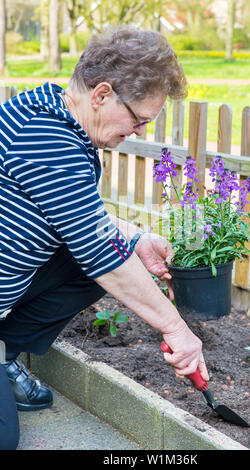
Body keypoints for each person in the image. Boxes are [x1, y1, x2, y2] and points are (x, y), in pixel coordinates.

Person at [0, 26, 209, 450]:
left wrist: (135, 237)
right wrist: (177, 330)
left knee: (104, 256)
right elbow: (98, 251)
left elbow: (80, 218)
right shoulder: (45, 139)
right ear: (101, 95)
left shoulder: (50, 111)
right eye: (138, 119)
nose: (139, 132)